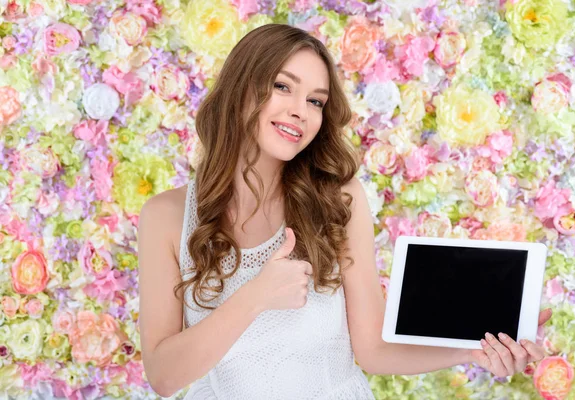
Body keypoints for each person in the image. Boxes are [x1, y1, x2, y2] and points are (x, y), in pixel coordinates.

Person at [137, 24, 552, 399]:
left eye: (316, 100)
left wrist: (474, 352)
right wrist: (255, 297)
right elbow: (164, 377)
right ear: (241, 88)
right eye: (283, 87)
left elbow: (372, 350)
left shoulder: (338, 199)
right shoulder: (166, 217)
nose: (301, 111)